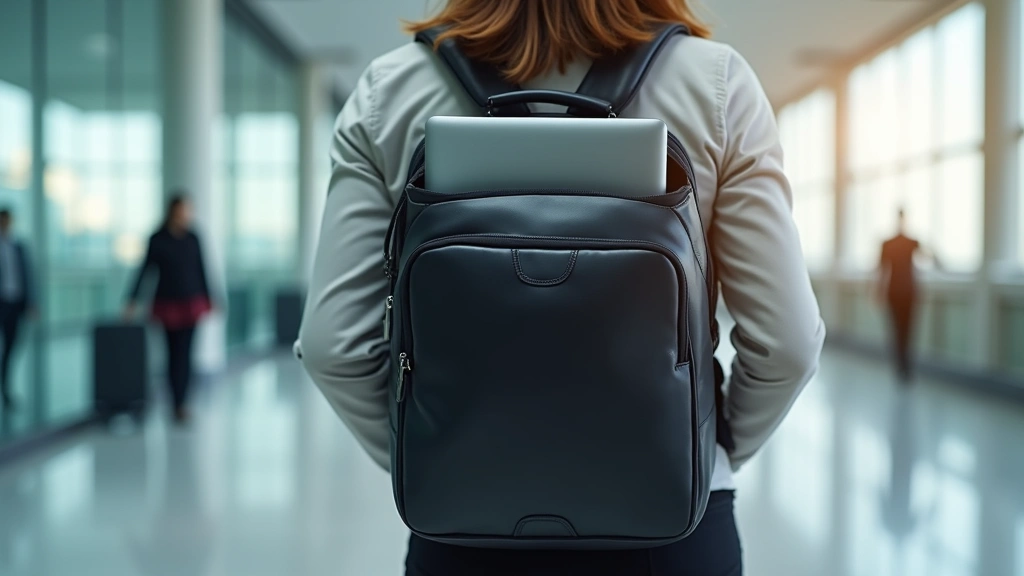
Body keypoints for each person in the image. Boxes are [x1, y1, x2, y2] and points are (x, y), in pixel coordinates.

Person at [297, 1, 826, 574]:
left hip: (460, 519)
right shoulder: (719, 84)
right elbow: (787, 344)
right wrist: (702, 452)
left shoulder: (388, 90)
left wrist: (434, 451)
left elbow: (333, 347)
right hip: (671, 525)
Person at [125, 194, 213, 424]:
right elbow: (145, 270)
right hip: (167, 304)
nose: (186, 215)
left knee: (185, 355)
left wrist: (210, 298)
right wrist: (132, 299)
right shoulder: (158, 239)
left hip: (190, 304)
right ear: (173, 211)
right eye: (183, 210)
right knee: (172, 355)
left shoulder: (193, 238)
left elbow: (202, 269)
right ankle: (175, 400)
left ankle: (181, 404)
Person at [878, 209, 936, 382]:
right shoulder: (902, 242)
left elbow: (881, 271)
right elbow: (881, 270)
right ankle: (903, 366)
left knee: (901, 330)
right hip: (904, 291)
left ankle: (903, 366)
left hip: (902, 291)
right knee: (903, 330)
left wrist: (878, 291)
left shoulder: (895, 242)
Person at [0, 209, 35, 411]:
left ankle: (6, 390)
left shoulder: (18, 246)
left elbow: (28, 276)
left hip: (15, 304)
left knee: (11, 349)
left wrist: (32, 302)